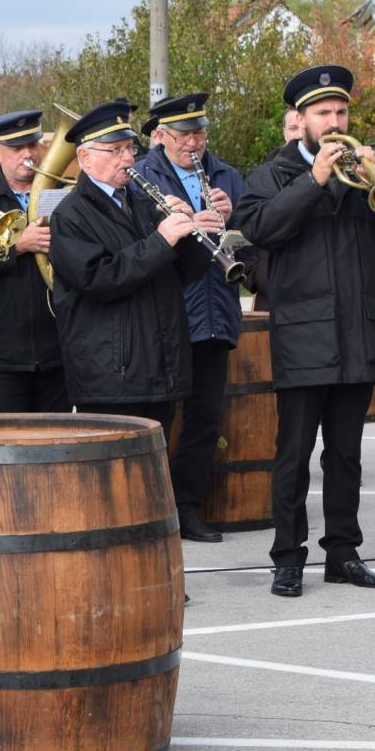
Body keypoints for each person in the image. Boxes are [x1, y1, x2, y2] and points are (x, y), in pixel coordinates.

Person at [232, 65, 375, 598]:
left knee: (345, 455)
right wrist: (314, 180)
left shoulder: (364, 174)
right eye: (323, 113)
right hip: (303, 336)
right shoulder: (272, 176)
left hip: (355, 335)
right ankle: (287, 559)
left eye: (340, 112)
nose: (334, 122)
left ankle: (343, 553)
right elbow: (260, 229)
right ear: (301, 119)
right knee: (292, 456)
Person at [48, 100, 219, 433]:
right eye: (115, 150)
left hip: (159, 369)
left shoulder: (143, 203)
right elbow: (100, 278)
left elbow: (181, 275)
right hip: (111, 377)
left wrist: (192, 234)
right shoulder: (69, 215)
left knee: (154, 461)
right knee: (112, 465)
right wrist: (161, 240)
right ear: (85, 157)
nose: (128, 159)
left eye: (129, 148)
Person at [135, 92, 248, 544]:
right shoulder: (142, 176)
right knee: (159, 418)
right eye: (183, 135)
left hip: (216, 312)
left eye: (199, 133)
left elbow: (252, 244)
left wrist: (232, 220)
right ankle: (152, 508)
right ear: (161, 136)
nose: (193, 143)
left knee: (204, 417)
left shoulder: (227, 176)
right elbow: (136, 243)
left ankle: (188, 505)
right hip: (168, 314)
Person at [0, 110, 67, 413]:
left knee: (57, 436)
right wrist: (18, 247)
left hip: (57, 345)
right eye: (17, 148)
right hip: (2, 352)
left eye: (33, 144)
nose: (28, 154)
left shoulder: (62, 193)